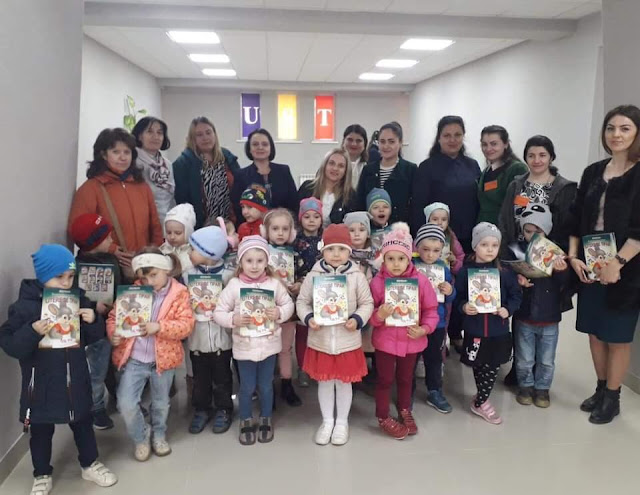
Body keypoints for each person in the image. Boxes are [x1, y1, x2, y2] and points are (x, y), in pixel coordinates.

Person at [0, 244, 117, 495]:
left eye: (71, 276)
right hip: (40, 384)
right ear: (43, 275)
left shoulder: (78, 300)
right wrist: (32, 331)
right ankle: (41, 473)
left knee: (83, 422)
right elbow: (10, 344)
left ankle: (90, 463)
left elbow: (93, 337)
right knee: (41, 430)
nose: (66, 283)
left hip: (75, 378)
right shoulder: (25, 307)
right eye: (59, 276)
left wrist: (93, 321)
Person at [568, 104, 640, 425]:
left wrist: (618, 262)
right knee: (594, 331)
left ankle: (613, 397)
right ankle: (600, 389)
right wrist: (573, 256)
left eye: (625, 128)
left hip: (626, 270)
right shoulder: (593, 172)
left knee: (617, 335)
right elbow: (575, 217)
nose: (616, 135)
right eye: (611, 128)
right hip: (590, 264)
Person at [498, 135, 577, 385]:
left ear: (551, 157)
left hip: (549, 257)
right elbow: (506, 221)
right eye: (531, 155)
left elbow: (568, 225)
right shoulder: (516, 184)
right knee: (519, 309)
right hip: (518, 253)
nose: (537, 160)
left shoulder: (565, 188)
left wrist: (554, 256)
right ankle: (519, 368)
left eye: (542, 155)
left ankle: (538, 373)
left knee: (544, 312)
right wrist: (507, 256)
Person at [107, 249, 194, 461]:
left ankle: (159, 434)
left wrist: (160, 327)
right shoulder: (132, 292)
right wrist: (113, 334)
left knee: (161, 403)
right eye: (144, 277)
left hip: (164, 361)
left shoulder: (180, 293)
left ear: (166, 269)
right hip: (135, 359)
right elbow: (113, 317)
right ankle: (141, 436)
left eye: (154, 275)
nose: (149, 281)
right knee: (126, 403)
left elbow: (186, 325)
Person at [296, 224, 374, 445]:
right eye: (331, 249)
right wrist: (308, 318)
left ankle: (342, 422)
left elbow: (367, 303)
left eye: (341, 249)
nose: (336, 254)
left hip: (347, 341)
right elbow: (302, 301)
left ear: (349, 251)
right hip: (321, 341)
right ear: (323, 251)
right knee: (325, 383)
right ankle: (327, 421)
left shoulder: (357, 276)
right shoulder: (314, 275)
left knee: (343, 383)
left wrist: (357, 319)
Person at [214, 235, 295, 445]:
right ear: (240, 262)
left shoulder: (274, 284)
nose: (254, 266)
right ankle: (246, 419)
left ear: (267, 261)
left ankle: (266, 418)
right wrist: (233, 319)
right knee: (247, 387)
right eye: (249, 260)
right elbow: (218, 312)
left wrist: (279, 313)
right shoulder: (234, 285)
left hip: (269, 346)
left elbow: (288, 305)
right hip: (244, 348)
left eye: (260, 260)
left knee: (266, 385)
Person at [369, 224, 439, 439]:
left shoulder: (421, 281)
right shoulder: (377, 283)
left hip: (411, 341)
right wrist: (379, 315)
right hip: (386, 342)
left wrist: (424, 329)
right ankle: (382, 416)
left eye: (401, 258)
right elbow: (370, 314)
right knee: (384, 380)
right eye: (390, 259)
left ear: (409, 259)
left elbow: (431, 310)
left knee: (406, 379)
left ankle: (404, 409)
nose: (396, 264)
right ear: (383, 259)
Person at [68, 128, 164, 279]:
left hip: (143, 267)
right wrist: (111, 249)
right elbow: (77, 230)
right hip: (108, 267)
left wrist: (155, 254)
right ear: (103, 155)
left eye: (127, 152)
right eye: (116, 152)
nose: (123, 157)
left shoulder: (142, 186)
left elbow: (155, 225)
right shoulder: (91, 188)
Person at [455, 223, 522, 425]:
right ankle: (480, 399)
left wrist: (507, 309)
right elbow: (457, 297)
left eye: (494, 245)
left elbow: (516, 296)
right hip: (474, 329)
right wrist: (464, 306)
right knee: (478, 364)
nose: (490, 250)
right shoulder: (465, 272)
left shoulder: (505, 272)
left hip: (498, 330)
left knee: (493, 365)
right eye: (484, 245)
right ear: (475, 246)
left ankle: (481, 401)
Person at [510, 204, 570, 408]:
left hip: (550, 316)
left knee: (546, 359)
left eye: (539, 232)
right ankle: (525, 386)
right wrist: (517, 278)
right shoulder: (516, 250)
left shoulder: (556, 252)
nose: (533, 236)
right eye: (528, 231)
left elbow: (566, 285)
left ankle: (543, 389)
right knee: (524, 358)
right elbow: (506, 276)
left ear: (547, 231)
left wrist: (561, 270)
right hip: (524, 315)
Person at [70, 213, 123, 430]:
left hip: (115, 322)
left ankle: (121, 398)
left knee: (118, 365)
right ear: (94, 243)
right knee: (97, 371)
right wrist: (93, 306)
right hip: (93, 331)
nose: (111, 239)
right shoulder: (76, 269)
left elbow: (119, 285)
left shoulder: (111, 260)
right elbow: (74, 300)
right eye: (106, 237)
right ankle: (96, 408)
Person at [183, 226, 235, 435]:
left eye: (193, 249)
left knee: (223, 377)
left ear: (208, 253)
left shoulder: (228, 276)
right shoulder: (187, 276)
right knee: (200, 377)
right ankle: (202, 409)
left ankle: (224, 408)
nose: (189, 252)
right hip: (197, 338)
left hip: (222, 339)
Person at [412, 116, 481, 249]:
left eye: (457, 135)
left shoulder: (472, 165)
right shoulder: (426, 167)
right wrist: (421, 240)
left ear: (463, 136)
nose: (452, 140)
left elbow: (479, 202)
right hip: (438, 240)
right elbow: (418, 207)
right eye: (447, 135)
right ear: (439, 138)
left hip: (470, 237)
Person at [260, 208, 303, 407]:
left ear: (291, 232)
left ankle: (287, 384)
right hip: (266, 309)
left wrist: (299, 284)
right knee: (268, 349)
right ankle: (267, 387)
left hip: (288, 309)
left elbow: (303, 274)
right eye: (275, 228)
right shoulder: (261, 254)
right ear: (266, 231)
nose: (280, 233)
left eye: (285, 229)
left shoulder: (295, 254)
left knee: (286, 348)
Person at [412, 223, 457, 413]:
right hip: (413, 321)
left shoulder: (443, 268)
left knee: (434, 359)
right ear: (417, 246)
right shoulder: (410, 265)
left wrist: (450, 291)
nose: (430, 255)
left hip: (436, 323)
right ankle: (407, 390)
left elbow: (451, 297)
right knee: (410, 359)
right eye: (426, 249)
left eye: (436, 250)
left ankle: (434, 391)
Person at [173, 116, 240, 228]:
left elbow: (239, 187)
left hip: (230, 224)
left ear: (215, 134)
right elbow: (182, 201)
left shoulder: (227, 157)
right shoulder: (183, 164)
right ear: (192, 139)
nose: (205, 138)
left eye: (208, 132)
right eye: (199, 135)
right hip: (200, 226)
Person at [231, 128, 298, 223]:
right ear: (249, 149)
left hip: (282, 226)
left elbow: (294, 203)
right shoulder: (240, 175)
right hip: (252, 227)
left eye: (265, 144)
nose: (260, 147)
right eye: (255, 144)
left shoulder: (284, 171)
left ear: (271, 148)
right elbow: (238, 208)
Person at [357, 122, 417, 225]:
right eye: (382, 141)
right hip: (371, 228)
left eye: (391, 142)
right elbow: (360, 202)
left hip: (400, 228)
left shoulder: (410, 169)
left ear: (400, 143)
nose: (386, 146)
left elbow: (415, 204)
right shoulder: (368, 169)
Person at [293, 198, 324, 387]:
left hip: (323, 292)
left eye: (316, 216)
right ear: (300, 219)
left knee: (319, 330)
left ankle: (318, 366)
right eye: (307, 216)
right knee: (303, 331)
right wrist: (297, 282)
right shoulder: (295, 241)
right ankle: (303, 367)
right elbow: (290, 266)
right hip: (302, 292)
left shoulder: (326, 240)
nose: (311, 220)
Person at [477, 125, 528, 225]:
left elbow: (523, 203)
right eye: (484, 144)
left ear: (506, 144)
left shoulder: (517, 169)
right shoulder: (485, 171)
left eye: (494, 144)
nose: (488, 149)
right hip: (483, 228)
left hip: (505, 229)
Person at [132, 116, 175, 226]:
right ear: (140, 136)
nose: (155, 137)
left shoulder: (167, 165)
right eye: (150, 131)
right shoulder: (132, 162)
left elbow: (171, 199)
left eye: (159, 133)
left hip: (166, 223)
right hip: (142, 223)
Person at [298, 148, 356, 227]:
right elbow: (295, 216)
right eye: (331, 163)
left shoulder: (351, 195)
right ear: (324, 165)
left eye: (341, 166)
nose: (335, 168)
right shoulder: (307, 187)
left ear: (346, 171)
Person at [160, 203, 196, 279]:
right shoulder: (162, 251)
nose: (172, 237)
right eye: (168, 232)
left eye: (178, 233)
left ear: (188, 232)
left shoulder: (194, 253)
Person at [341, 124, 369, 189]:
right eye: (350, 140)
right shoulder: (332, 165)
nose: (354, 144)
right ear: (343, 142)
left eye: (358, 141)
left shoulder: (370, 168)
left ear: (365, 144)